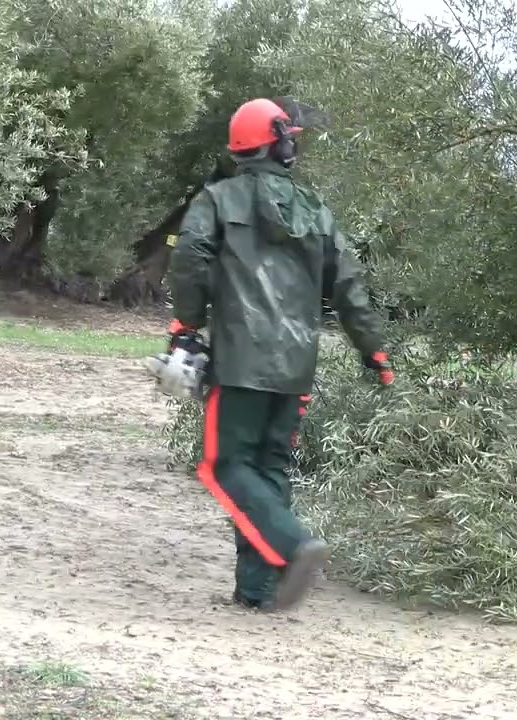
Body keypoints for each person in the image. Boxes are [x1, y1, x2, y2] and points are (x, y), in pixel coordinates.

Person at [166, 97, 394, 613]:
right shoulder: (316, 210)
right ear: (281, 144)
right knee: (269, 468)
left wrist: (186, 326)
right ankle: (258, 591)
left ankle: (292, 547)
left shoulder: (217, 200)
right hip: (296, 366)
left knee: (223, 466)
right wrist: (375, 353)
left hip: (241, 362)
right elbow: (350, 286)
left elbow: (190, 259)